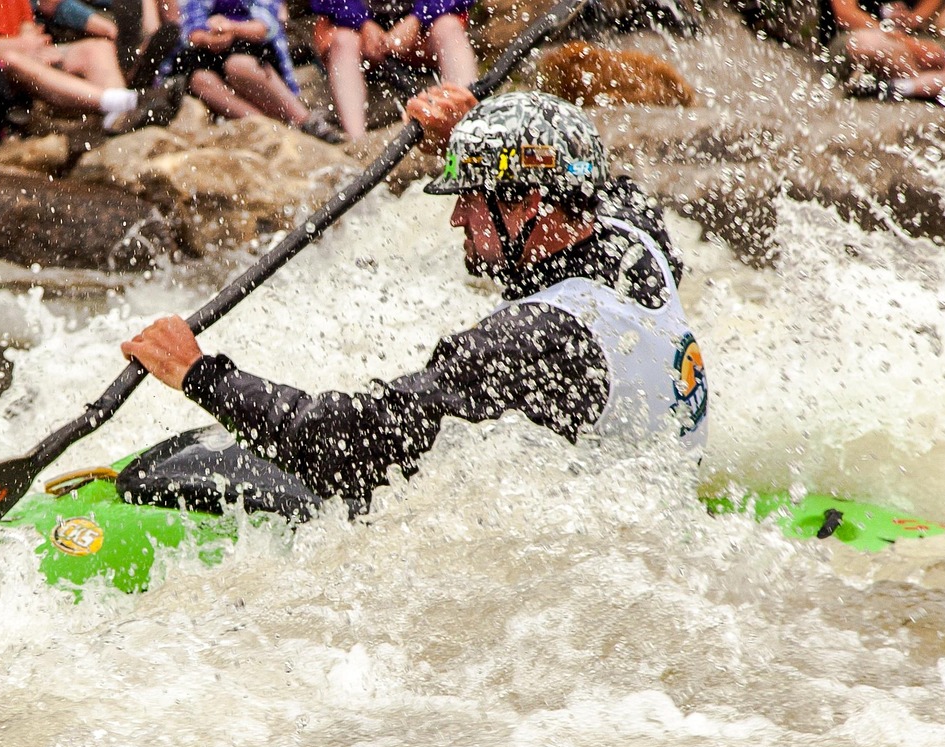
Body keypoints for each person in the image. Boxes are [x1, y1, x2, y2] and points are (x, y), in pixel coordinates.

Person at [121, 84, 709, 507]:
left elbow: (353, 442)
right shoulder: (637, 239)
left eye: (472, 196)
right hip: (659, 499)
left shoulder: (535, 340)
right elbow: (597, 179)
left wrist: (199, 374)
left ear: (527, 203)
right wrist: (476, 131)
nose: (457, 217)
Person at [0, 0, 182, 133]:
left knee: (96, 49)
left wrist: (35, 44)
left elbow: (25, 25)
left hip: (22, 52)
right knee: (14, 60)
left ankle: (116, 120)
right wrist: (10, 46)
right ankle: (127, 101)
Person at [154, 0, 342, 141]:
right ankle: (268, 128)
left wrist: (232, 28)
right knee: (200, 79)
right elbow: (191, 30)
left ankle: (305, 120)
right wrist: (207, 39)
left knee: (238, 66)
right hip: (210, 51)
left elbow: (265, 27)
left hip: (252, 47)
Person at [310, 0, 478, 140]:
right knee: (343, 40)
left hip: (422, 33)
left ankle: (469, 118)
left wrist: (418, 18)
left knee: (448, 27)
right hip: (358, 35)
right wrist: (361, 23)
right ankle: (357, 139)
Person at [828, 0, 945, 103]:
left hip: (917, 53)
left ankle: (898, 88)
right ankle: (944, 85)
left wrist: (914, 19)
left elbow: (924, 18)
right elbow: (845, 15)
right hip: (871, 44)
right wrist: (912, 44)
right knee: (866, 42)